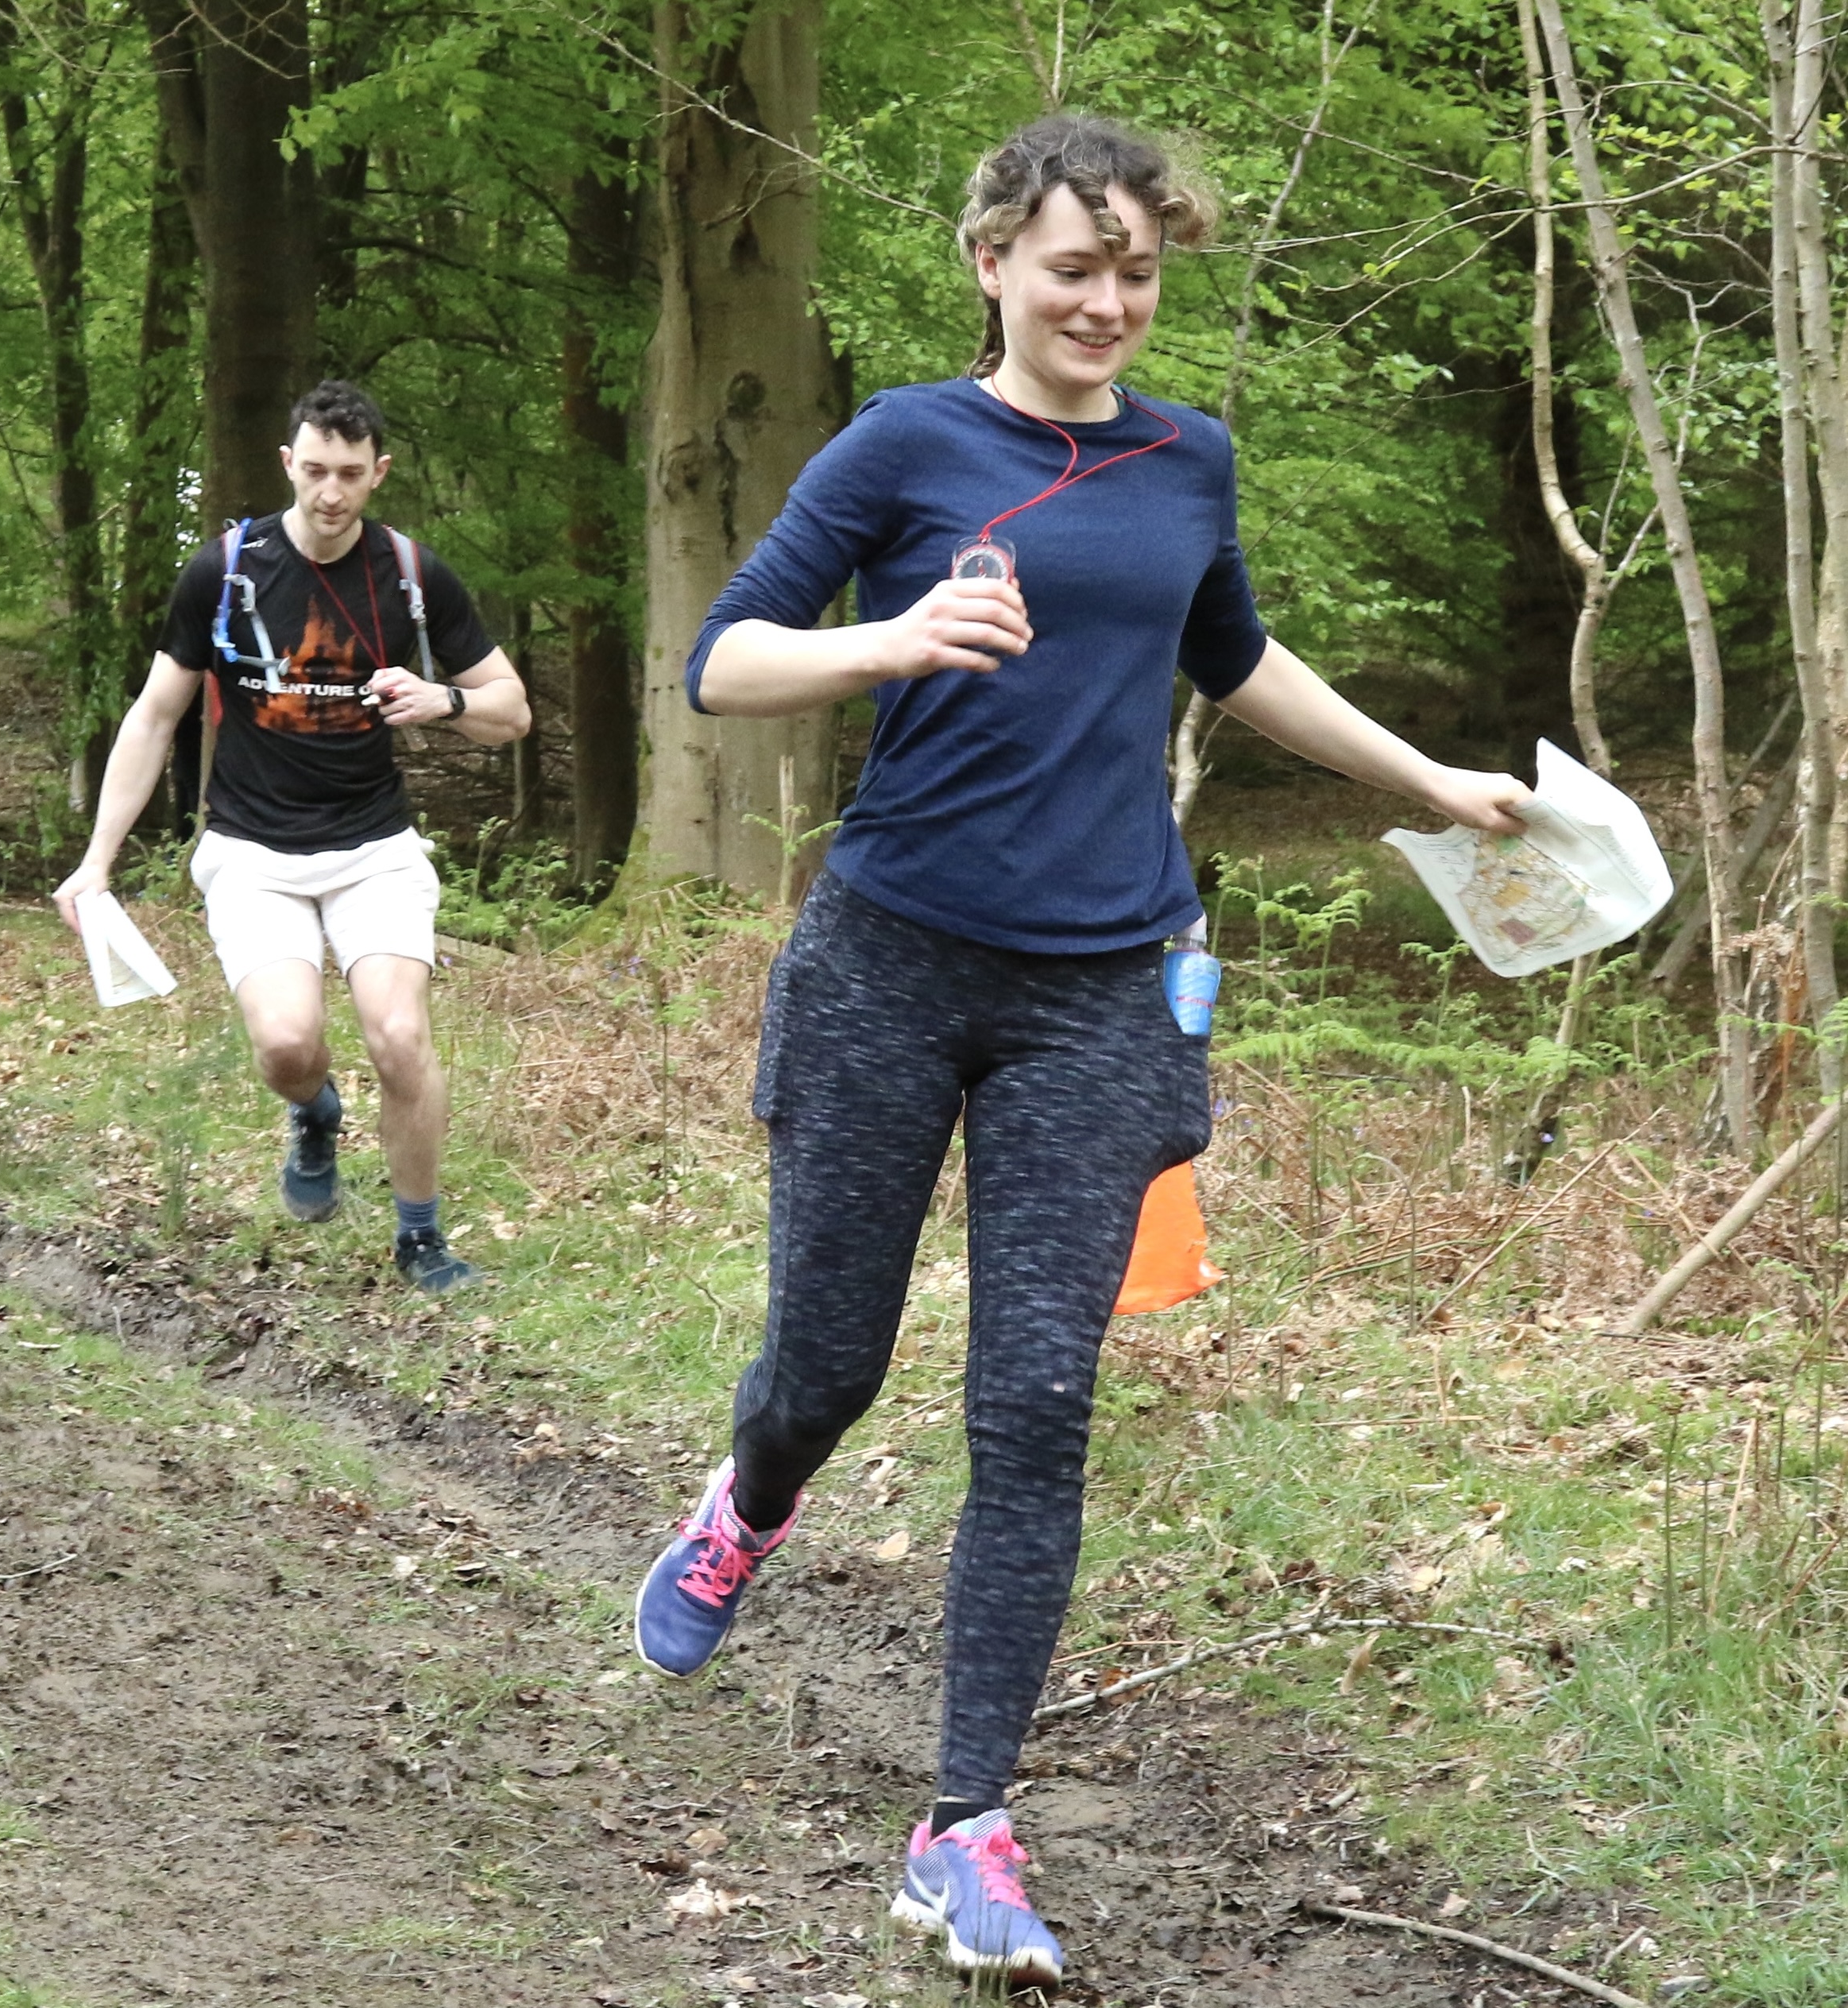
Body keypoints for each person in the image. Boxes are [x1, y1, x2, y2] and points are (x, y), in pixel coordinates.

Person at [632, 117, 1529, 1980]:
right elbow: (722, 663)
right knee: (827, 1361)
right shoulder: (902, 444)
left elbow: (1235, 659)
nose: (1109, 302)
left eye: (1135, 273)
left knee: (1036, 1403)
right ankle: (752, 1501)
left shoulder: (1186, 459)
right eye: (1074, 267)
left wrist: (1426, 778)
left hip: (1100, 986)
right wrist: (890, 641)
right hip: (888, 961)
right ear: (989, 263)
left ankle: (962, 1828)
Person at [52, 380, 531, 1294]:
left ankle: (420, 1238)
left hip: (373, 849)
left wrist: (446, 701)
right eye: (314, 470)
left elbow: (511, 710)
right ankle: (315, 1112)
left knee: (397, 1034)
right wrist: (95, 862)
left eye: (351, 473)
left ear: (378, 472)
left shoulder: (411, 575)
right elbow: (155, 716)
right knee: (285, 1044)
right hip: (252, 851)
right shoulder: (224, 570)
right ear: (288, 464)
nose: (331, 493)